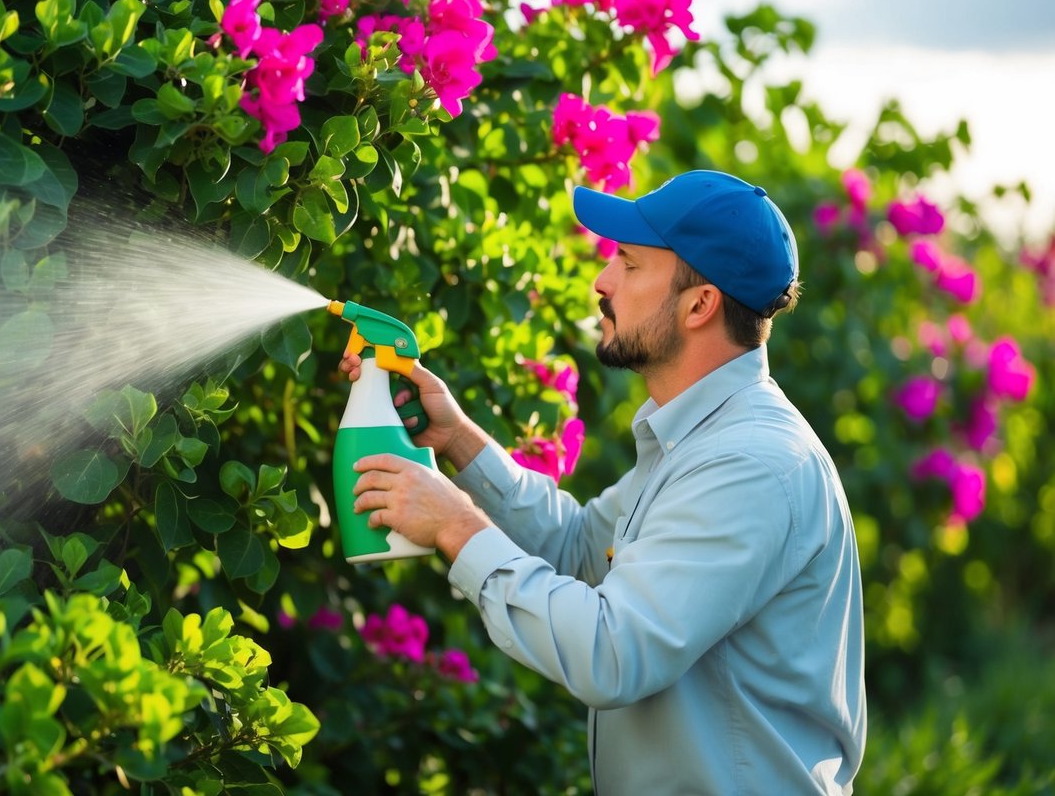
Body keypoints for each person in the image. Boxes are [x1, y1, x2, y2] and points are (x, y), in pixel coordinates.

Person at [345, 170, 867, 794]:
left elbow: (612, 653)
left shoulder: (749, 465)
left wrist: (457, 526)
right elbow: (580, 549)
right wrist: (458, 438)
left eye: (629, 262)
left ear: (699, 304)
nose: (602, 280)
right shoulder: (700, 440)